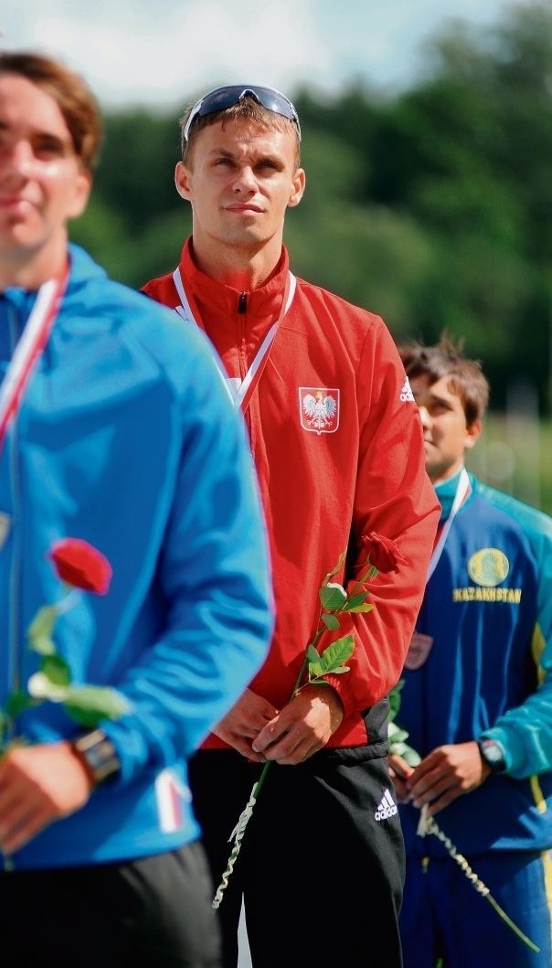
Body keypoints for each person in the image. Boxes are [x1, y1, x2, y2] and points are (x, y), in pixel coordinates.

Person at [0, 35, 275, 968]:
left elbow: (230, 607)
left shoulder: (163, 361)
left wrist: (93, 755)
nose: (18, 165)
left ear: (79, 182)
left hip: (116, 849)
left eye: (48, 146)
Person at [142, 84, 440, 968]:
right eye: (223, 163)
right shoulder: (121, 337)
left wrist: (332, 690)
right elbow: (88, 547)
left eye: (266, 165)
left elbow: (400, 532)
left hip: (324, 734)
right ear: (183, 180)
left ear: (298, 183)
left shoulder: (356, 341)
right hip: (166, 732)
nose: (247, 182)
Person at [389, 334, 552, 967]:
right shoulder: (352, 537)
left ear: (474, 429)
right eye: (407, 401)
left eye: (440, 406)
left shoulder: (529, 539)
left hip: (499, 842)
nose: (421, 417)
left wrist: (492, 752)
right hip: (385, 836)